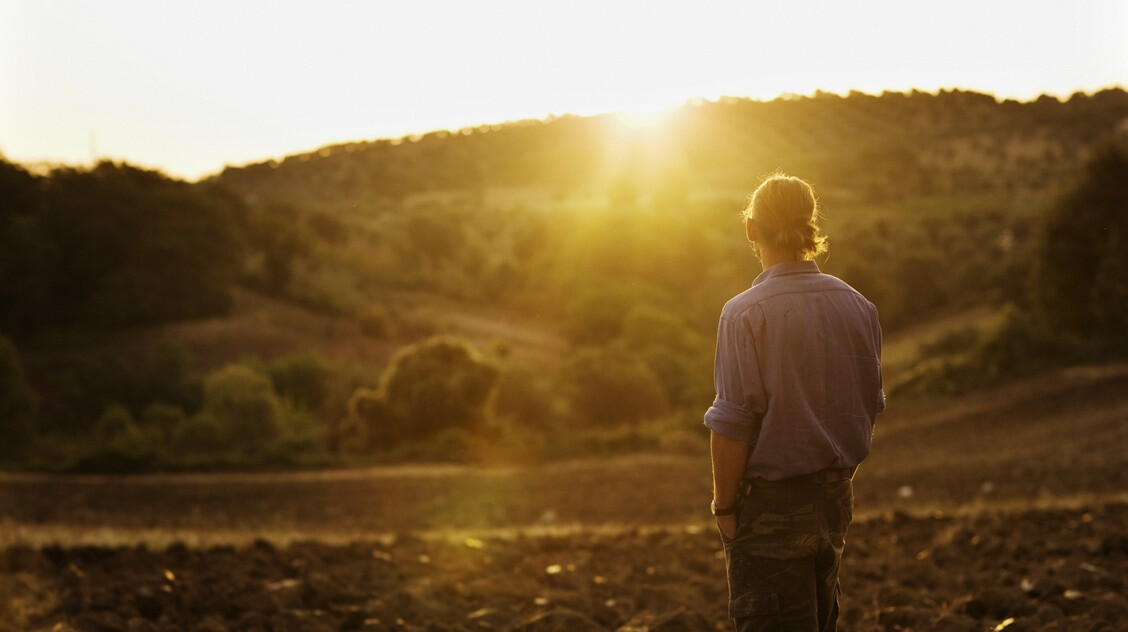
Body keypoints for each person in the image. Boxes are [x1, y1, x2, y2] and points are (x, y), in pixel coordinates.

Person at [705, 173, 885, 631]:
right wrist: (832, 481)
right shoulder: (859, 306)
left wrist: (724, 510)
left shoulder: (743, 312)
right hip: (835, 501)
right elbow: (866, 408)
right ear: (810, 226)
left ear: (751, 229)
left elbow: (731, 426)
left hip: (769, 508)